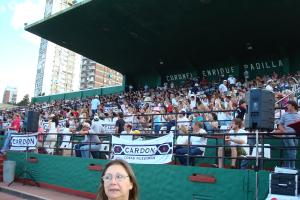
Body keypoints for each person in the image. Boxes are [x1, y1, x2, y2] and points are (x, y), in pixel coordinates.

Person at [277, 100, 300, 169]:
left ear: (293, 106)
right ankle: (292, 167)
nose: (286, 106)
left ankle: (289, 167)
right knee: (293, 150)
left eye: (288, 105)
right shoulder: (284, 114)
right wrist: (285, 131)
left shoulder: (299, 115)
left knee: (292, 151)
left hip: (296, 136)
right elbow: (279, 125)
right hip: (287, 136)